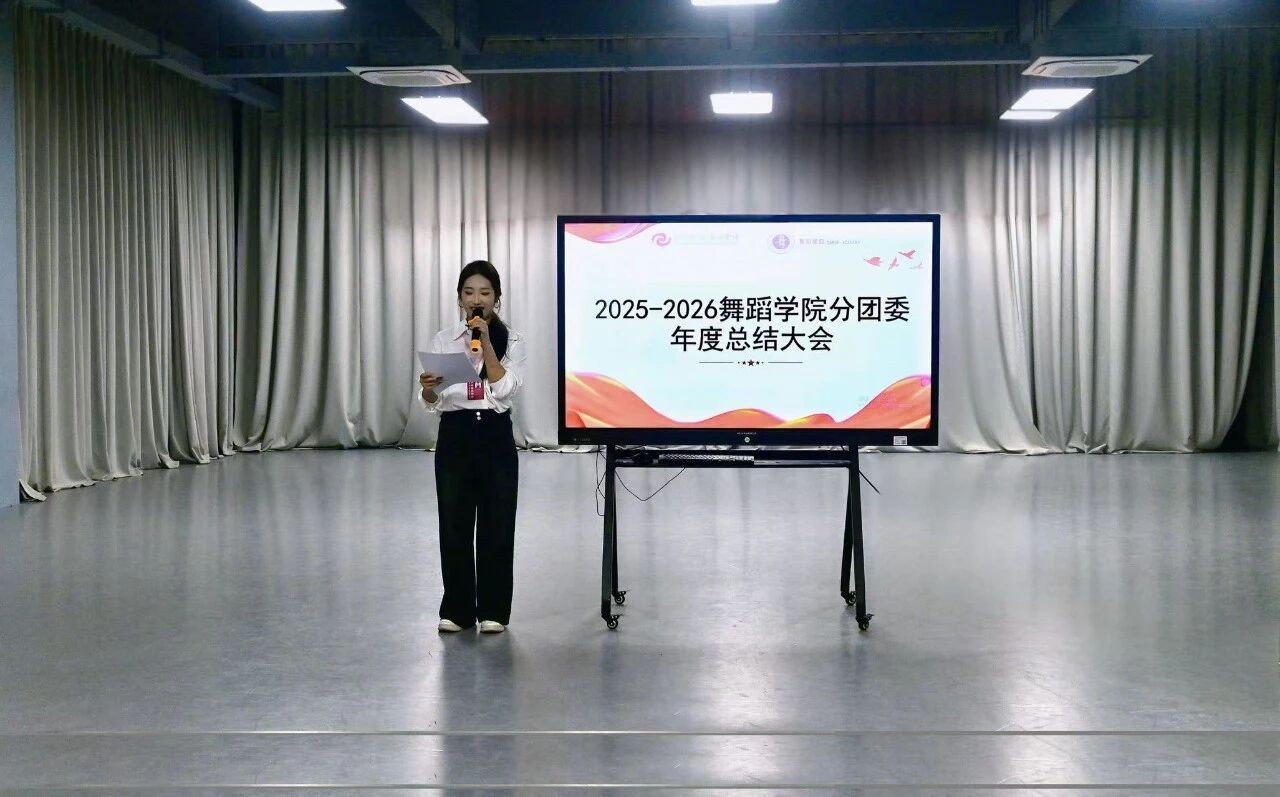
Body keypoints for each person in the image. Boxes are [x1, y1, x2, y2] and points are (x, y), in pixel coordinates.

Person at [418, 260, 526, 634]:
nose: (476, 299)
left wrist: (487, 343)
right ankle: (457, 610)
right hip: (456, 433)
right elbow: (432, 401)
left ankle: (494, 610)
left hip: (494, 434)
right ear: (459, 298)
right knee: (454, 522)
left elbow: (505, 390)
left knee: (498, 522)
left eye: (484, 293)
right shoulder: (443, 339)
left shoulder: (513, 340)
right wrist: (427, 388)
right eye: (469, 292)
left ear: (497, 298)